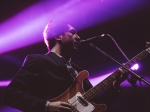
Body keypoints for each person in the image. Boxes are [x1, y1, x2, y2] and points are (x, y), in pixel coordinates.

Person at [2, 20, 127, 112]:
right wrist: (46, 106)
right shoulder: (38, 61)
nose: (78, 37)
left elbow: (98, 105)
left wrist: (115, 85)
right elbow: (10, 94)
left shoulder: (79, 71)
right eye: (73, 33)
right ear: (58, 36)